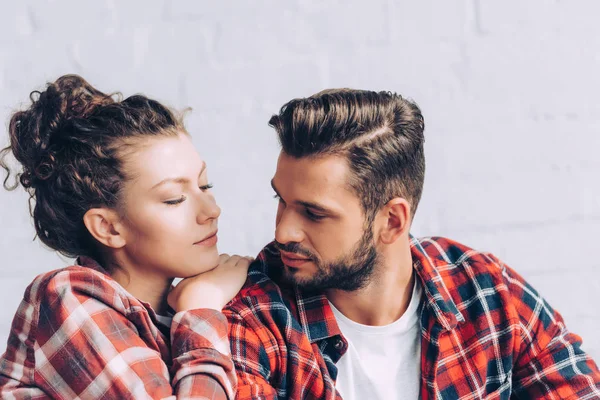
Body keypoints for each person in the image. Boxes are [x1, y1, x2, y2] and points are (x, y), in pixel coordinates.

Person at [224, 89, 600, 399]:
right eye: (281, 201)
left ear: (392, 221)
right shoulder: (259, 316)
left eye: (313, 213)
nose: (283, 232)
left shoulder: (485, 291)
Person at [0, 75, 250, 399]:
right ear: (108, 227)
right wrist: (200, 309)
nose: (211, 210)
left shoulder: (173, 314)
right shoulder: (68, 298)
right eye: (174, 198)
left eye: (204, 186)